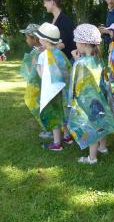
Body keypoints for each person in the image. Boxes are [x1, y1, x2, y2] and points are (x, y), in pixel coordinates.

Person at [68, 24, 114, 164]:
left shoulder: (81, 63)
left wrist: (76, 61)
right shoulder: (98, 59)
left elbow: (76, 83)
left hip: (89, 101)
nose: (75, 44)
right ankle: (103, 148)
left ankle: (92, 158)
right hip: (101, 99)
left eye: (76, 41)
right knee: (102, 123)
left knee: (92, 127)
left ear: (83, 43)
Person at [35, 22, 73, 151]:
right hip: (63, 90)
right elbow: (67, 71)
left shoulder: (42, 56)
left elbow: (43, 76)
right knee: (63, 113)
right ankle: (67, 136)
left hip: (52, 91)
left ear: (44, 41)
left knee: (55, 116)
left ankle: (57, 143)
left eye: (39, 37)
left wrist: (36, 66)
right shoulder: (60, 54)